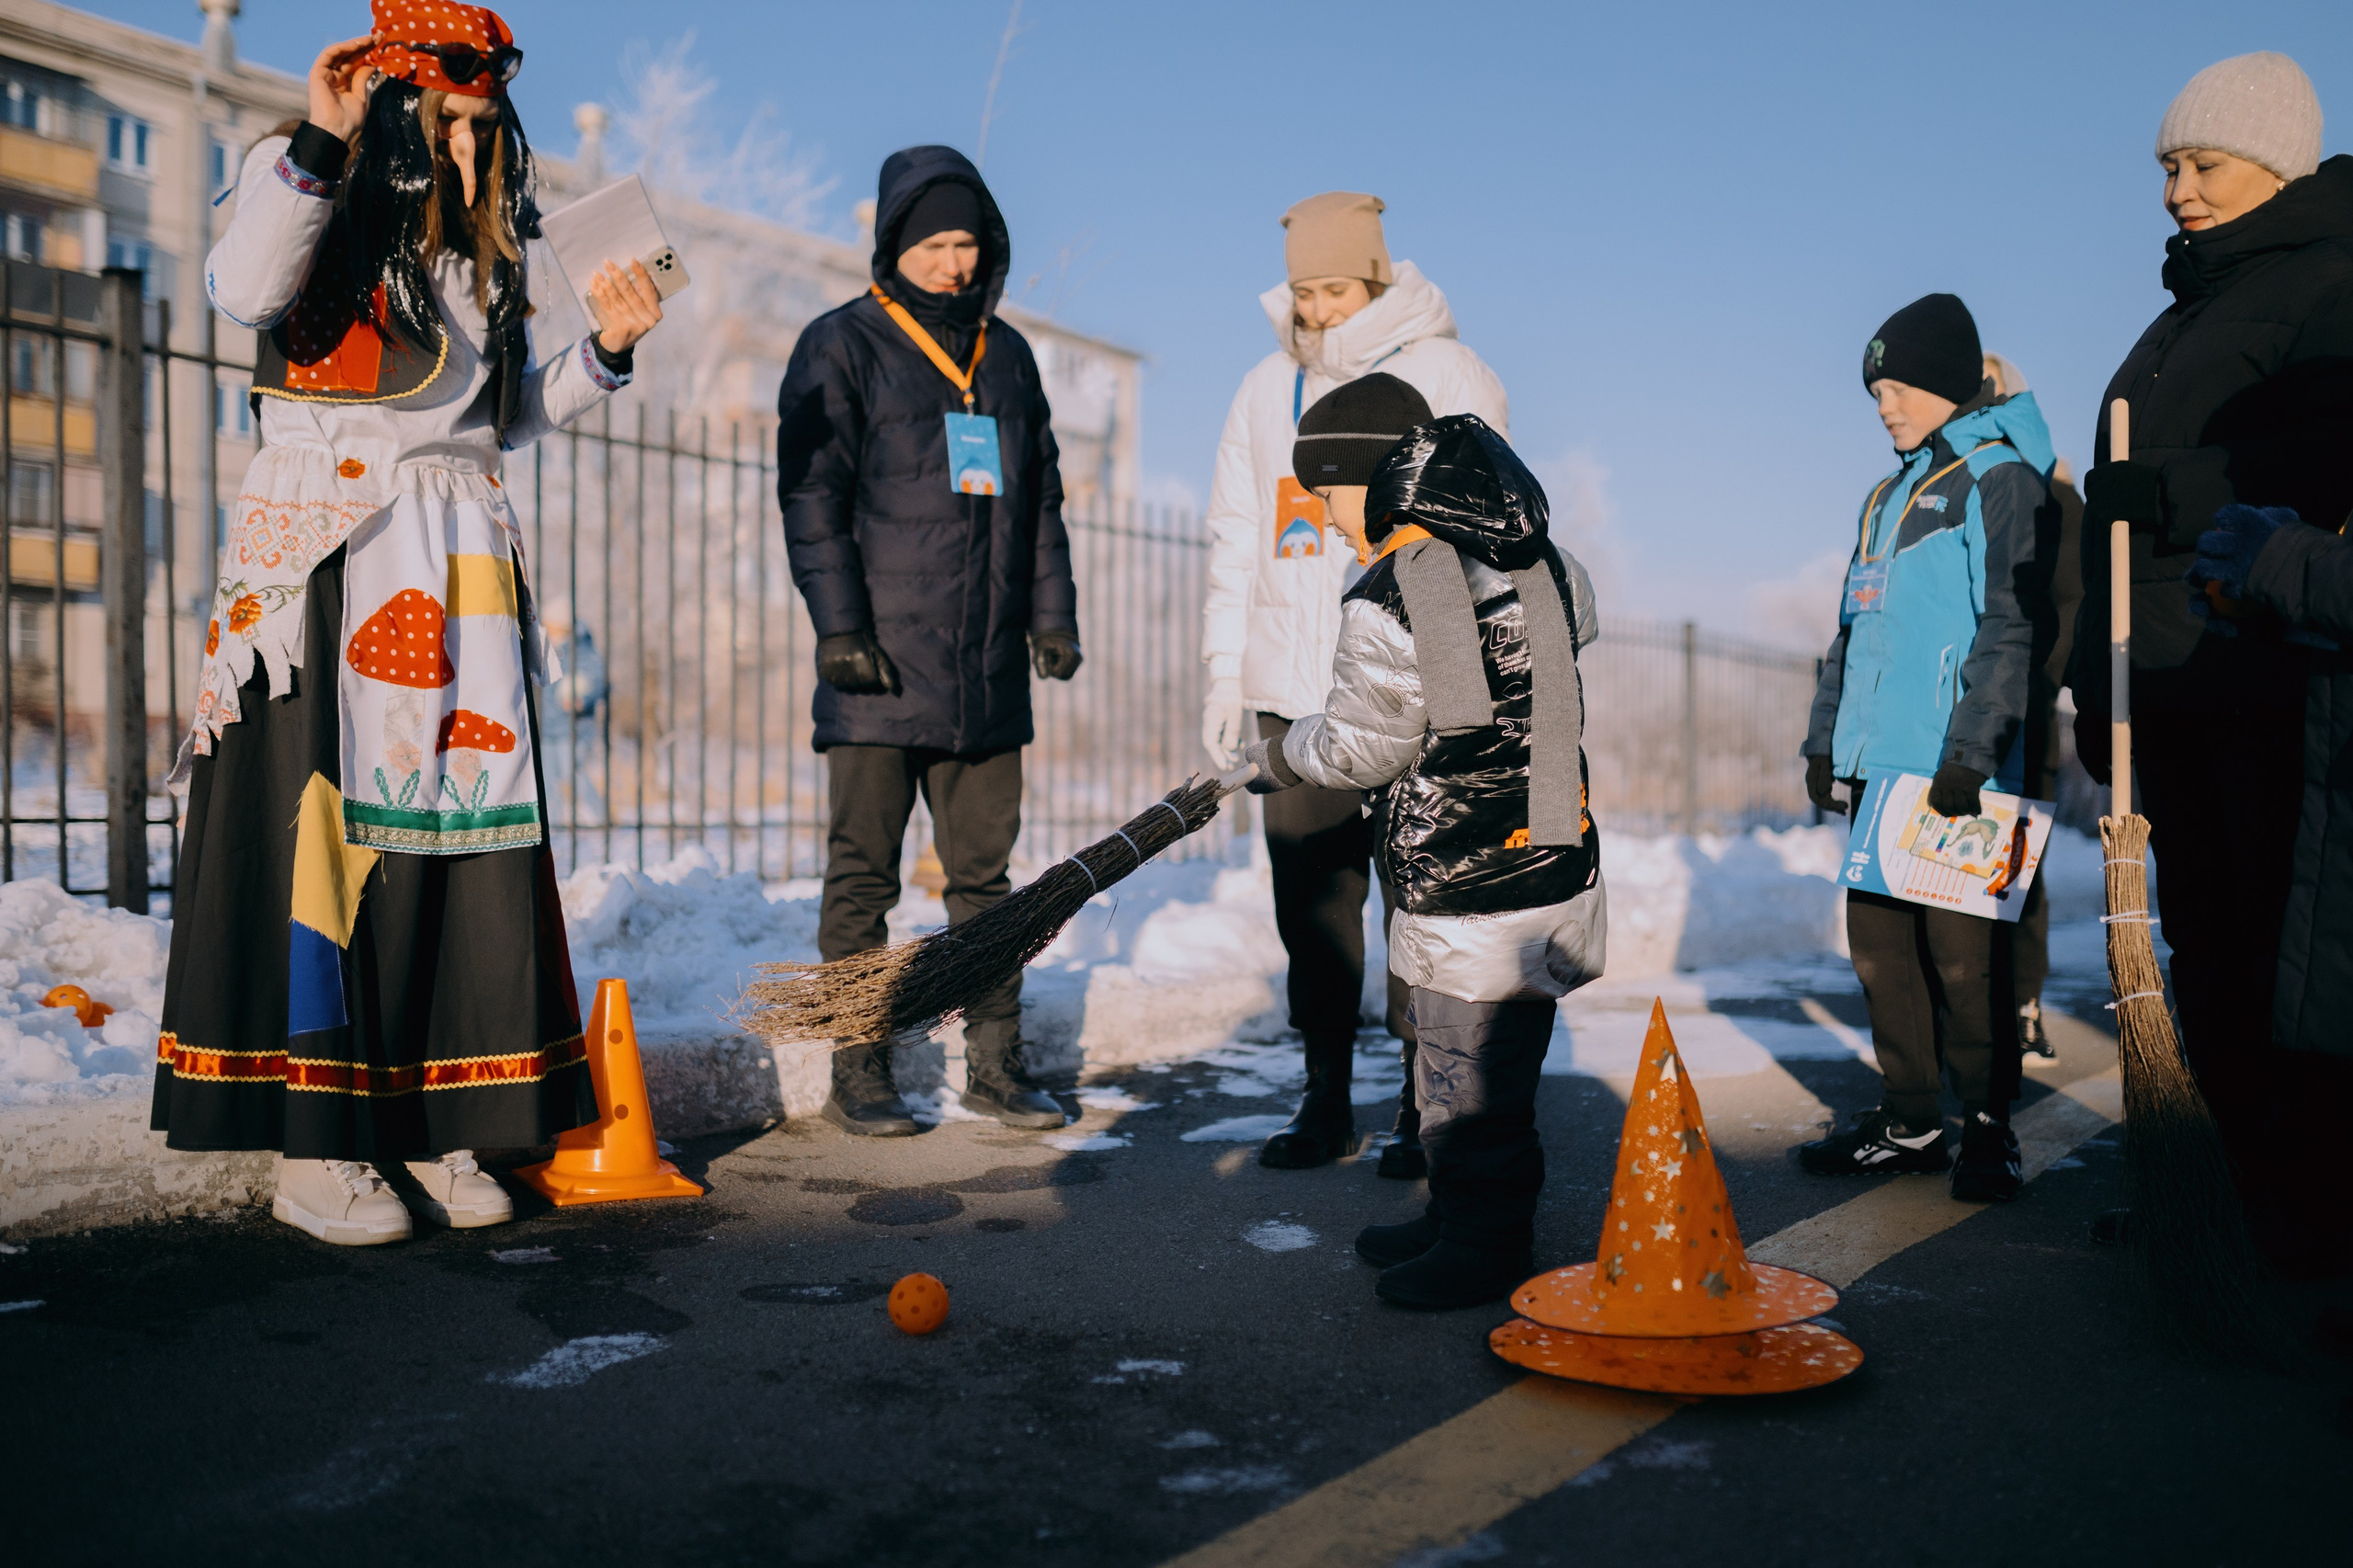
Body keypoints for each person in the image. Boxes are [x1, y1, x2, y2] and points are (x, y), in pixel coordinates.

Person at [154, 4, 665, 1245]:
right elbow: (241, 288)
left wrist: (604, 349)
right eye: (447, 123)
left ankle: (444, 1112)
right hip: (336, 544)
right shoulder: (307, 183)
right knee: (331, 837)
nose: (469, 151)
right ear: (393, 113)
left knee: (460, 837)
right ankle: (318, 1145)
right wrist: (320, 143)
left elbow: (494, 419)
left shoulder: (479, 246)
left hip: (458, 550)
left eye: (484, 130)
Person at [2070, 51, 2353, 1270]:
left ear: (2274, 166)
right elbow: (2109, 530)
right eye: (2167, 168)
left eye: (2203, 165)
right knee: (2200, 943)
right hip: (2166, 680)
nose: (2178, 188)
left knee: (2266, 950)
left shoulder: (2328, 287)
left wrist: (2170, 490)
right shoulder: (2178, 315)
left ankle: (2298, 1210)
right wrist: (2095, 670)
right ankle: (2224, 1188)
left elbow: (2331, 454)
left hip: (2257, 670)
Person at [1239, 374, 1605, 1310]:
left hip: (1466, 877)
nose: (1323, 518)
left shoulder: (1403, 587)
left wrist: (1283, 748)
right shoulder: (1538, 561)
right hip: (1551, 858)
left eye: (1326, 494)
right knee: (1497, 1069)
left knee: (1462, 1080)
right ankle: (1458, 1217)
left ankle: (1483, 1242)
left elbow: (1371, 745)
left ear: (1371, 478)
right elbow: (1524, 667)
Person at [1199, 191, 1510, 1176]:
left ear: (1376, 278)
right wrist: (1224, 673)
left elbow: (1484, 517)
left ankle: (1431, 1100)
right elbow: (1233, 537)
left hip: (1411, 681)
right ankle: (1324, 1096)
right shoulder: (1261, 389)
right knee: (1312, 902)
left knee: (1420, 892)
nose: (1319, 310)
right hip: (1294, 688)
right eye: (1303, 292)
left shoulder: (1444, 369)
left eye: (1335, 287)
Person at [778, 146, 1080, 1138]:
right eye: (934, 243)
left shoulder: (1010, 356)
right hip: (878, 667)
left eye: (968, 242)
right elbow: (811, 496)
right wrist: (840, 628)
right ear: (894, 248)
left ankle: (996, 1065)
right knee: (861, 875)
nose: (955, 261)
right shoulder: (843, 343)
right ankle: (858, 1072)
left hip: (985, 668)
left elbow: (1040, 503)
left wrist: (1052, 616)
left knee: (987, 883)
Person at [1800, 294, 2054, 1202]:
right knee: (1879, 950)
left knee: (1963, 961)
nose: (1884, 405)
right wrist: (1826, 739)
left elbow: (2011, 627)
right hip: (1885, 769)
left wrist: (1974, 752)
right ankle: (1908, 1118)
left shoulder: (2000, 479)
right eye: (1876, 391)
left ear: (1949, 383)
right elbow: (1851, 630)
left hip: (1961, 773)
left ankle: (1988, 1126)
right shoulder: (1886, 495)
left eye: (1899, 386)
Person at [1982, 352, 2084, 1067]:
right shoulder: (1955, 491)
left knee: (2019, 867)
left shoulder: (2056, 498)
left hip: (2027, 709)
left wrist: (2037, 685)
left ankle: (2022, 1003)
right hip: (1953, 715)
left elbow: (2070, 602)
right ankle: (1965, 1009)